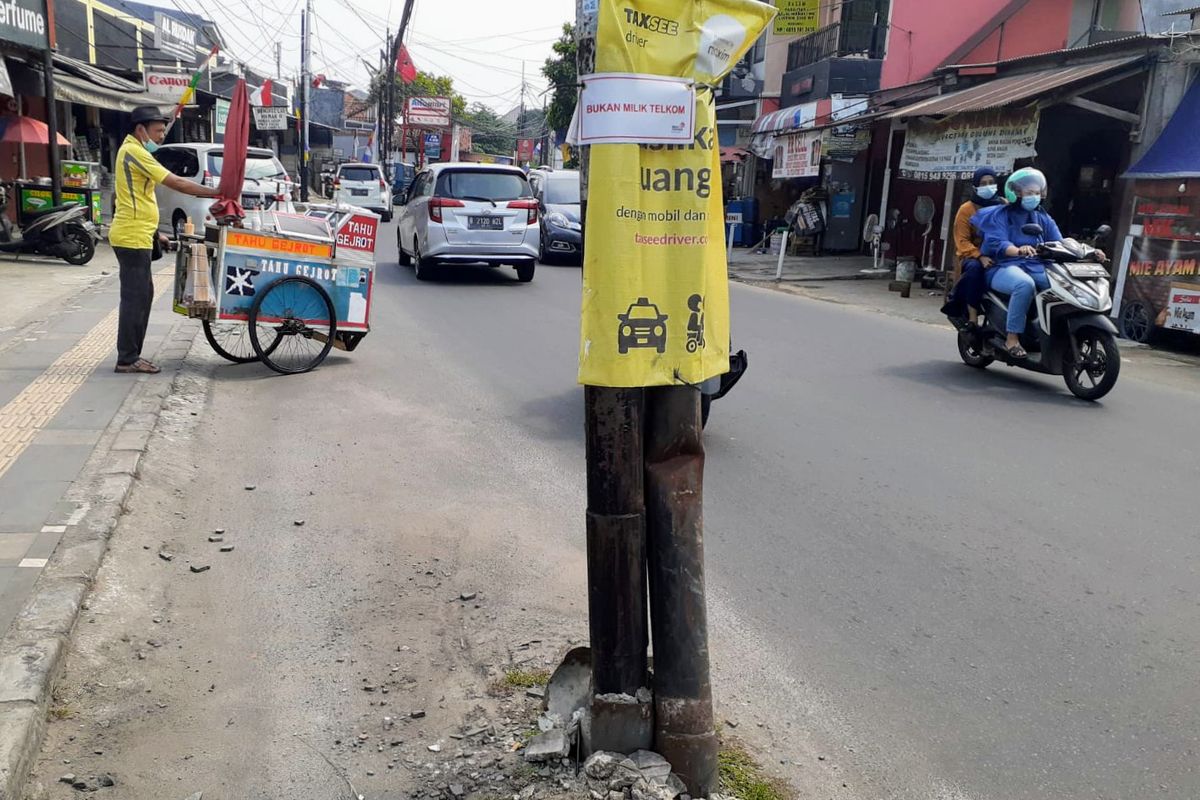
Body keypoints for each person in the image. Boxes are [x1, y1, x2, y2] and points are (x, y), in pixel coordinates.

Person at [110, 106, 219, 374]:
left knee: (143, 295)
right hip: (131, 237)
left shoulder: (134, 151)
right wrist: (217, 191)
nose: (160, 137)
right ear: (140, 130)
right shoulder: (134, 152)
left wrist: (156, 233)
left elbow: (137, 198)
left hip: (140, 233)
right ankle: (127, 358)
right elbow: (177, 183)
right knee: (135, 299)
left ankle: (131, 355)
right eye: (157, 131)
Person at [971, 168, 1077, 359]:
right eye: (1029, 193)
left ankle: (1049, 334)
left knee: (1062, 284)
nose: (1034, 197)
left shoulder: (1042, 217)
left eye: (1037, 193)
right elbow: (999, 243)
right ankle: (1012, 338)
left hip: (1035, 265)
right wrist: (1018, 249)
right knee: (1024, 284)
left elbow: (1060, 242)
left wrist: (1089, 251)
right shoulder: (1001, 215)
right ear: (1016, 193)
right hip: (1002, 266)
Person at [941, 167, 1005, 328]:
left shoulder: (1003, 205)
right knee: (975, 270)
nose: (988, 186)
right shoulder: (966, 209)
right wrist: (979, 256)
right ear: (975, 186)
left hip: (1000, 252)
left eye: (991, 182)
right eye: (983, 183)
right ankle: (972, 316)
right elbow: (962, 241)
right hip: (972, 256)